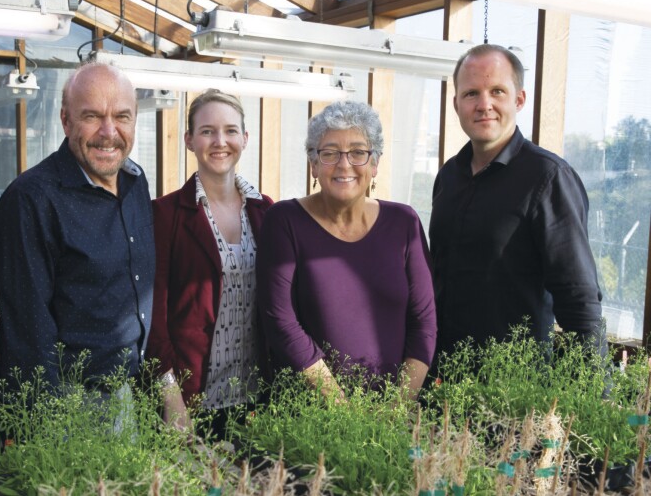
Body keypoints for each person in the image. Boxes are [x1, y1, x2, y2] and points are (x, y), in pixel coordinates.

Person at [429, 44, 604, 360]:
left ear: (519, 99)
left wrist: (594, 398)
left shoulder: (548, 178)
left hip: (514, 388)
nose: (485, 105)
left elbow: (578, 297)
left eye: (497, 91)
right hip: (444, 379)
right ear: (456, 104)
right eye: (471, 94)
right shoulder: (448, 177)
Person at [0, 63, 153, 396]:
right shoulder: (31, 200)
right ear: (66, 120)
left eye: (122, 117)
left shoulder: (135, 181)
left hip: (133, 392)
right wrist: (50, 431)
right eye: (92, 116)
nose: (109, 132)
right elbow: (29, 333)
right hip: (70, 401)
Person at [256, 100, 437, 400]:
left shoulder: (404, 222)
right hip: (312, 416)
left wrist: (399, 406)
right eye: (329, 153)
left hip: (393, 416)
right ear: (313, 164)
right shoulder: (284, 221)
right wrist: (342, 411)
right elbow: (280, 321)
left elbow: (424, 322)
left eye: (358, 152)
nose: (344, 164)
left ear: (375, 163)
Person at [148, 89, 273, 433]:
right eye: (207, 131)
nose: (220, 141)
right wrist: (171, 399)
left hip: (258, 401)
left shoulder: (267, 212)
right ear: (189, 140)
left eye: (231, 130)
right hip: (191, 405)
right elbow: (154, 321)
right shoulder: (165, 215)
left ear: (245, 139)